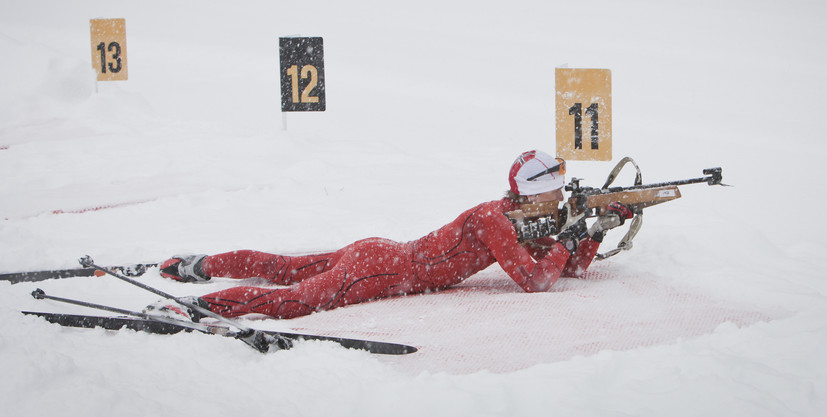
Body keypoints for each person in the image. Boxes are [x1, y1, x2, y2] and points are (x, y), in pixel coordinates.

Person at [149, 150, 633, 322]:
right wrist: (571, 237)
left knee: (284, 267)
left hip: (377, 253)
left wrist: (593, 231)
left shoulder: (513, 217)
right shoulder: (496, 221)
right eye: (555, 191)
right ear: (536, 194)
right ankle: (196, 306)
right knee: (292, 300)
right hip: (380, 270)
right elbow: (537, 283)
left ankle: (197, 265)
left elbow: (566, 270)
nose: (560, 197)